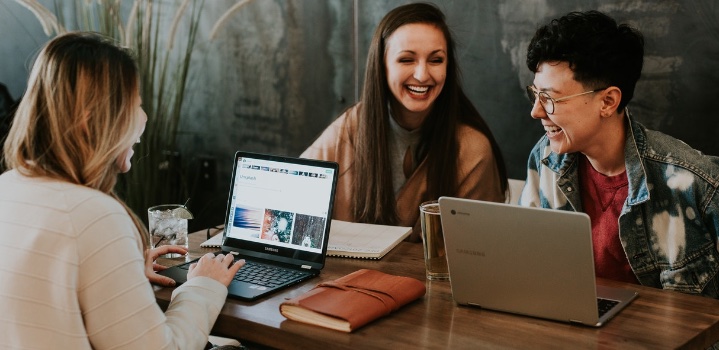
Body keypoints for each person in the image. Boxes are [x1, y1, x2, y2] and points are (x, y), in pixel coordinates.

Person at [520, 10, 719, 348]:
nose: (536, 112)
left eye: (550, 98)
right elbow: (527, 264)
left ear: (608, 101)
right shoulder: (546, 159)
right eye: (535, 94)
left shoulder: (695, 181)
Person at [0, 32, 245, 349]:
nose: (144, 119)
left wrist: (119, 270)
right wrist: (202, 286)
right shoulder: (94, 216)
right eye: (136, 105)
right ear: (93, 121)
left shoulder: (8, 186)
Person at [302, 2, 509, 240]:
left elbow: (481, 251)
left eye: (436, 60)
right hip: (345, 276)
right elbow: (291, 193)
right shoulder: (351, 126)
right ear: (382, 66)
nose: (422, 75)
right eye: (406, 60)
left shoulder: (472, 149)